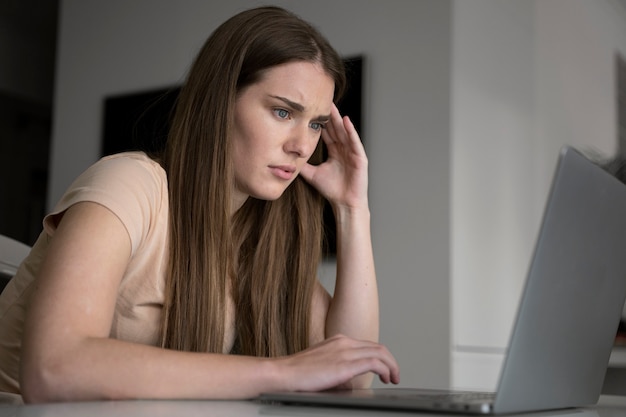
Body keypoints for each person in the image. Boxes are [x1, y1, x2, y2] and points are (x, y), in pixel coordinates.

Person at [0, 5, 399, 403]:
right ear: (220, 102)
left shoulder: (255, 236)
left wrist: (352, 209)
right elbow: (53, 370)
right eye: (282, 111)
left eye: (315, 124)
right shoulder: (129, 184)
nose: (302, 146)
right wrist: (280, 373)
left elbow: (352, 377)